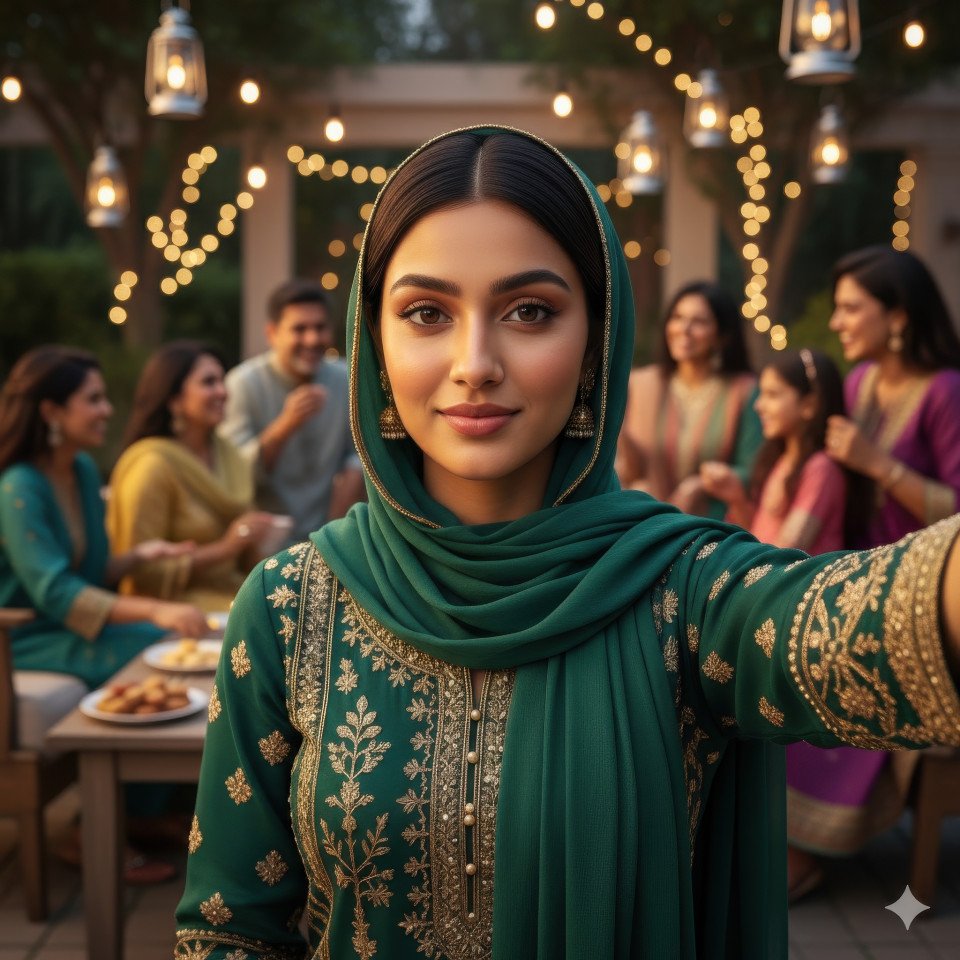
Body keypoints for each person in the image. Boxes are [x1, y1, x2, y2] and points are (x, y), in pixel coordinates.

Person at [175, 128, 960, 960]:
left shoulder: (683, 594)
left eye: (530, 312)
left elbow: (872, 621)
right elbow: (228, 927)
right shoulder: (290, 607)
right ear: (375, 345)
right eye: (426, 313)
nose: (476, 363)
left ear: (595, 345)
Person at [785, 246, 960, 898]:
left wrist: (878, 464)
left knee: (840, 663)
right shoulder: (858, 385)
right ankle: (776, 835)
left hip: (925, 596)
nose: (837, 322)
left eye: (851, 308)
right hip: (862, 576)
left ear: (899, 316)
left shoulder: (945, 392)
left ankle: (804, 849)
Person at [0, 346, 208, 689]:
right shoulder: (18, 487)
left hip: (72, 628)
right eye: (93, 399)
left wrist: (138, 556)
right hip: (24, 637)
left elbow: (90, 573)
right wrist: (155, 609)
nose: (107, 410)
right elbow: (55, 591)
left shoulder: (81, 469)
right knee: (162, 645)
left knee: (177, 641)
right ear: (51, 411)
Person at [108, 340, 282, 614]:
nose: (223, 392)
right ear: (174, 400)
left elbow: (244, 555)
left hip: (232, 591)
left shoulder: (228, 455)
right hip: (171, 608)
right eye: (209, 382)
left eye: (222, 381)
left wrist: (258, 540)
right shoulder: (152, 466)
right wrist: (226, 548)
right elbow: (142, 574)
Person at [219, 280, 365, 544]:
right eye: (299, 329)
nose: (312, 339)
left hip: (332, 535)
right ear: (272, 333)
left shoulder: (346, 378)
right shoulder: (242, 384)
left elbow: (361, 454)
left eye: (320, 328)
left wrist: (336, 530)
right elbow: (233, 473)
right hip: (265, 544)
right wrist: (285, 425)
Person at [616, 280, 762, 519]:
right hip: (645, 523)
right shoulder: (641, 385)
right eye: (678, 317)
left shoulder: (743, 392)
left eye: (699, 322)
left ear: (722, 335)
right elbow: (625, 468)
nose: (684, 329)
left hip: (714, 528)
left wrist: (702, 484)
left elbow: (754, 471)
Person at [700, 348, 849, 554]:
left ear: (809, 404)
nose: (758, 406)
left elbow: (785, 553)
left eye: (772, 395)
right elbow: (759, 536)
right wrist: (737, 499)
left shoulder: (821, 469)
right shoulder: (780, 460)